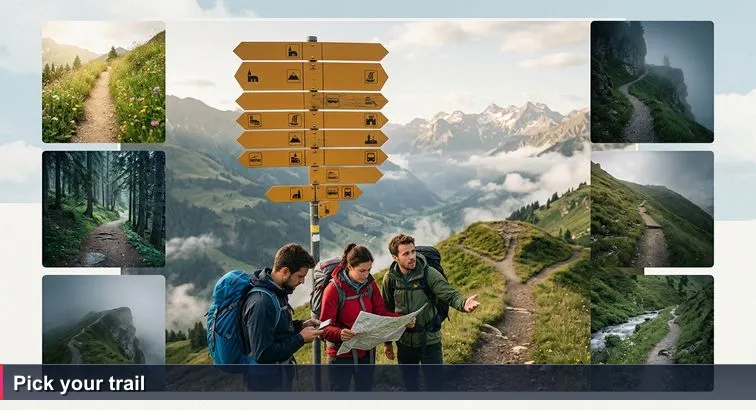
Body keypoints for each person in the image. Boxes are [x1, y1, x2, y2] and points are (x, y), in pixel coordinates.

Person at [381, 234, 480, 391]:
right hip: (405, 343)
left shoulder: (429, 273)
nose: (412, 257)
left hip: (430, 341)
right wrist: (387, 343)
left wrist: (463, 303)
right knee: (410, 386)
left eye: (413, 251)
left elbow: (449, 294)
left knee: (434, 387)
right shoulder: (390, 279)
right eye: (406, 254)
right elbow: (386, 310)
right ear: (395, 257)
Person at [319, 243, 415, 391]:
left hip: (366, 351)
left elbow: (381, 312)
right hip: (341, 356)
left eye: (369, 270)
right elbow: (324, 328)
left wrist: (401, 320)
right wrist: (340, 333)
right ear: (350, 267)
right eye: (362, 271)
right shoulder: (333, 290)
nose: (366, 275)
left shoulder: (369, 285)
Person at [241, 243, 322, 391]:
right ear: (285, 271)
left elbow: (275, 329)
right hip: (264, 385)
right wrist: (300, 338)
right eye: (300, 276)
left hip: (278, 378)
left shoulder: (277, 292)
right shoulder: (261, 303)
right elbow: (263, 353)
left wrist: (300, 326)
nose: (302, 281)